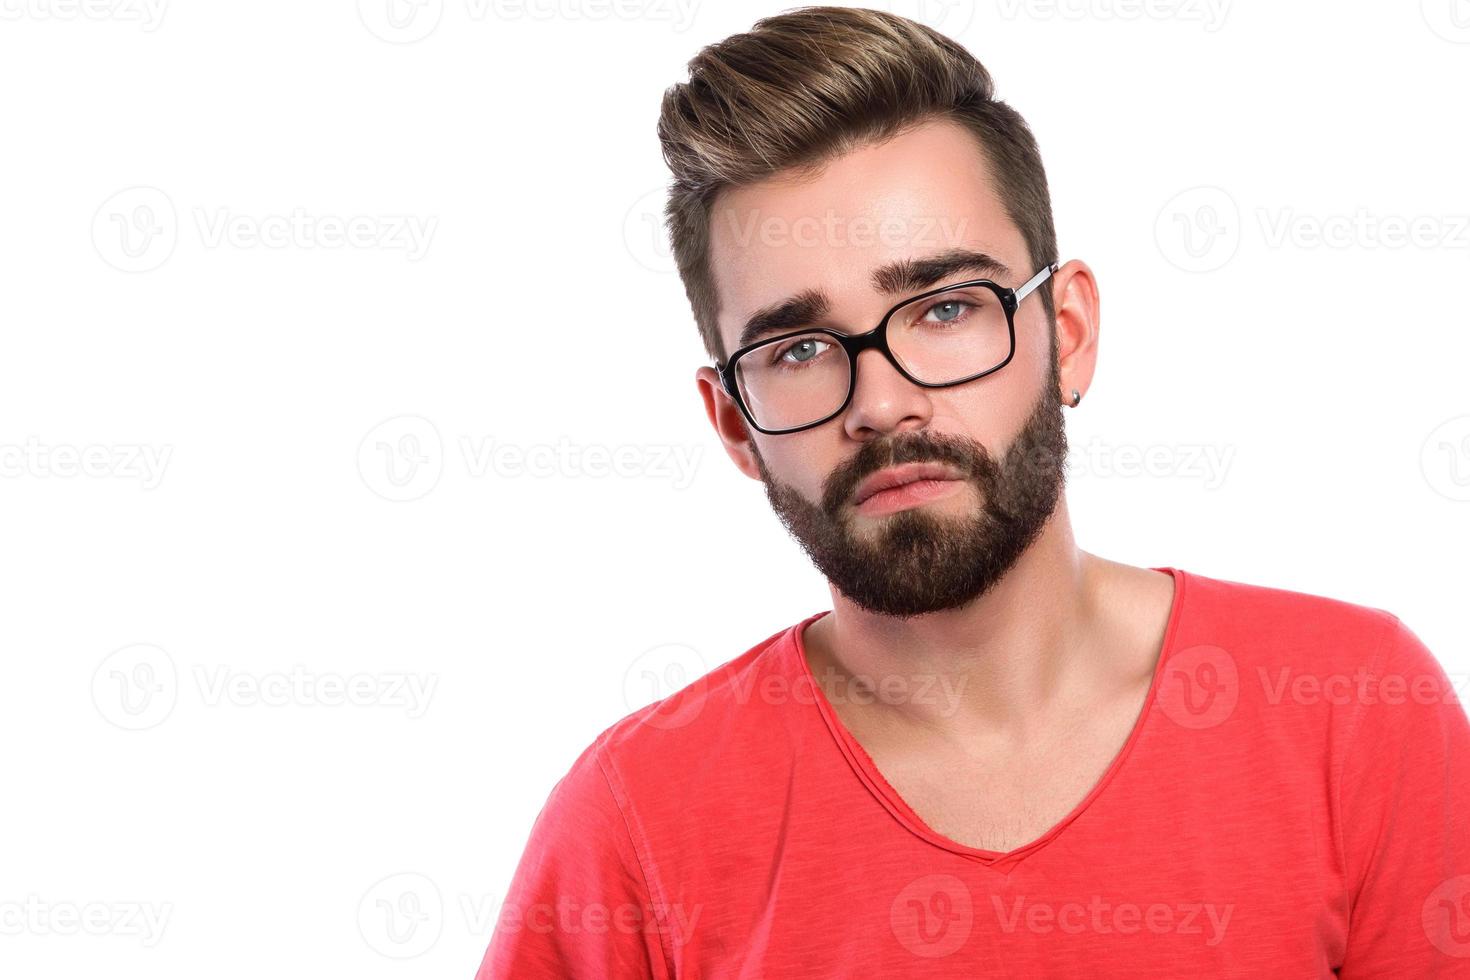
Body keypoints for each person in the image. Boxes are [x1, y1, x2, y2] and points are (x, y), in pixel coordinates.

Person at [475, 7, 1470, 976]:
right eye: (801, 348)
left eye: (947, 307)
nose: (883, 401)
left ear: (1067, 332)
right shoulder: (635, 821)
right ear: (734, 421)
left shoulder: (1356, 711)